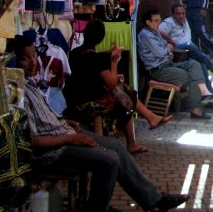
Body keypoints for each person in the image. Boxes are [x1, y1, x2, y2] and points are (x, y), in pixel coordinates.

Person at [16, 41, 189, 212]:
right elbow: (35, 141)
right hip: (53, 150)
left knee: (116, 146)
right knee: (109, 159)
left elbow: (43, 117)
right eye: (25, 58)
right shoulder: (16, 92)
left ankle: (154, 200)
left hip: (64, 129)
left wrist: (65, 123)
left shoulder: (30, 83)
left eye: (34, 55)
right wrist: (73, 138)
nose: (33, 62)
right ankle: (98, 208)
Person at [62, 23, 172, 155]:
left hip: (74, 99)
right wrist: (115, 61)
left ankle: (148, 122)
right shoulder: (94, 59)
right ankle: (136, 136)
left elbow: (90, 74)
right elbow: (111, 84)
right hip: (86, 104)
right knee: (126, 98)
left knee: (124, 92)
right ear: (102, 38)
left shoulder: (75, 53)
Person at [137, 9, 213, 120]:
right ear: (148, 22)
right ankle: (197, 108)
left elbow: (166, 49)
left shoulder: (155, 32)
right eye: (155, 21)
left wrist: (168, 52)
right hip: (159, 70)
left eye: (159, 20)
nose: (158, 23)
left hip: (168, 64)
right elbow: (161, 53)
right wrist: (168, 51)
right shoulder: (146, 35)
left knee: (195, 64)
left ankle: (202, 95)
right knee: (192, 77)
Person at [159, 4, 213, 103]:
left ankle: (209, 96)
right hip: (177, 52)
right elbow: (158, 31)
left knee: (201, 63)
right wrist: (171, 41)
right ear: (173, 14)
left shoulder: (185, 21)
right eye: (178, 14)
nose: (181, 16)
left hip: (188, 52)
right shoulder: (168, 22)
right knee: (188, 45)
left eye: (183, 13)